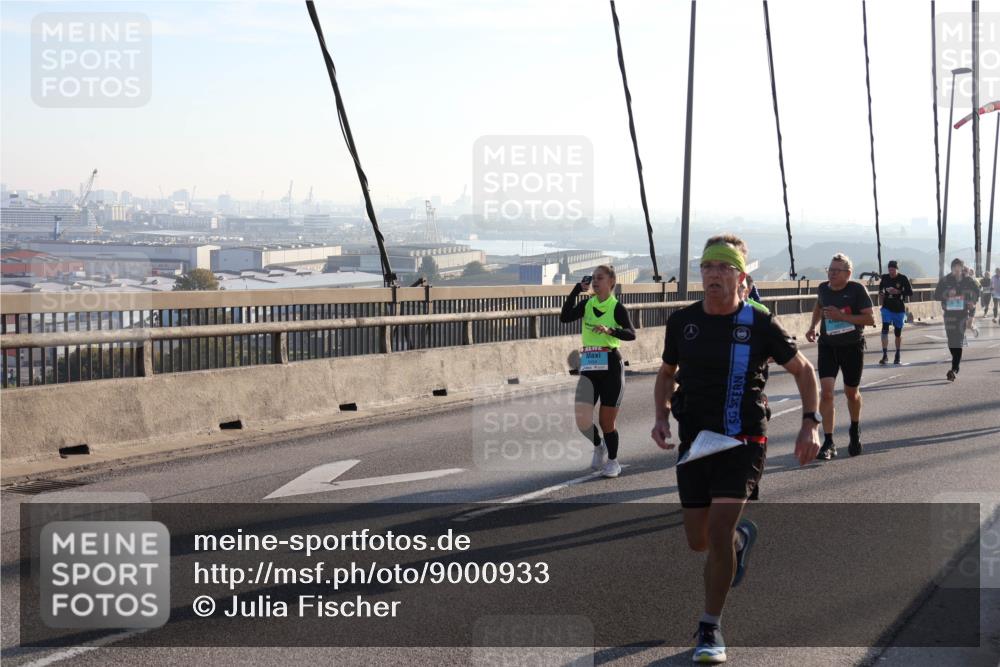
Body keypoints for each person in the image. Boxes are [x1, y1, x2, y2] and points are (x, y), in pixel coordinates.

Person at [651, 235, 820, 664]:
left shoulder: (760, 322)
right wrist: (659, 414)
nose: (712, 274)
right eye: (707, 267)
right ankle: (741, 543)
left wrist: (810, 423)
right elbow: (666, 372)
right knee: (697, 541)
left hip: (744, 438)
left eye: (723, 268)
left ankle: (710, 626)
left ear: (741, 277)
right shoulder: (683, 322)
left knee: (719, 530)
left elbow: (804, 371)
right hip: (696, 441)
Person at [560, 265, 635, 477]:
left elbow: (631, 334)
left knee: (606, 421)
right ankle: (598, 444)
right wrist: (576, 290)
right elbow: (564, 318)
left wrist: (610, 330)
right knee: (582, 418)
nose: (595, 282)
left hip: (611, 364)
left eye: (599, 278)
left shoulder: (617, 307)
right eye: (593, 278)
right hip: (590, 364)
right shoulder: (587, 304)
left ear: (611, 281)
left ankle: (613, 461)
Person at [805, 253, 875, 459]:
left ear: (848, 273)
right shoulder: (823, 288)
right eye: (829, 269)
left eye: (836, 271)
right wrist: (812, 326)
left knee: (851, 393)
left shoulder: (857, 290)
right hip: (828, 346)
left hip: (852, 347)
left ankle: (854, 429)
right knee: (826, 393)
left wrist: (842, 316)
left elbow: (870, 319)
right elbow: (819, 306)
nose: (831, 274)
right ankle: (829, 442)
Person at [934, 258, 981, 381]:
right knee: (951, 342)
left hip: (962, 314)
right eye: (954, 267)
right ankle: (955, 363)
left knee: (958, 341)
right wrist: (947, 293)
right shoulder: (945, 280)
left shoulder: (968, 280)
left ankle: (954, 369)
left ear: (962, 268)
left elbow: (977, 291)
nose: (956, 270)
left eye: (959, 267)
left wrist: (973, 302)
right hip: (949, 314)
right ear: (951, 268)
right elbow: (936, 295)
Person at [877, 260, 913, 365]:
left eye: (893, 270)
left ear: (897, 269)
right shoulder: (885, 277)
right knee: (884, 329)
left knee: (898, 333)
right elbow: (880, 289)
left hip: (899, 308)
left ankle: (897, 354)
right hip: (887, 307)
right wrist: (881, 293)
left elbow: (910, 292)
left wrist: (898, 291)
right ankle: (884, 355)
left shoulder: (903, 278)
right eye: (890, 270)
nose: (891, 272)